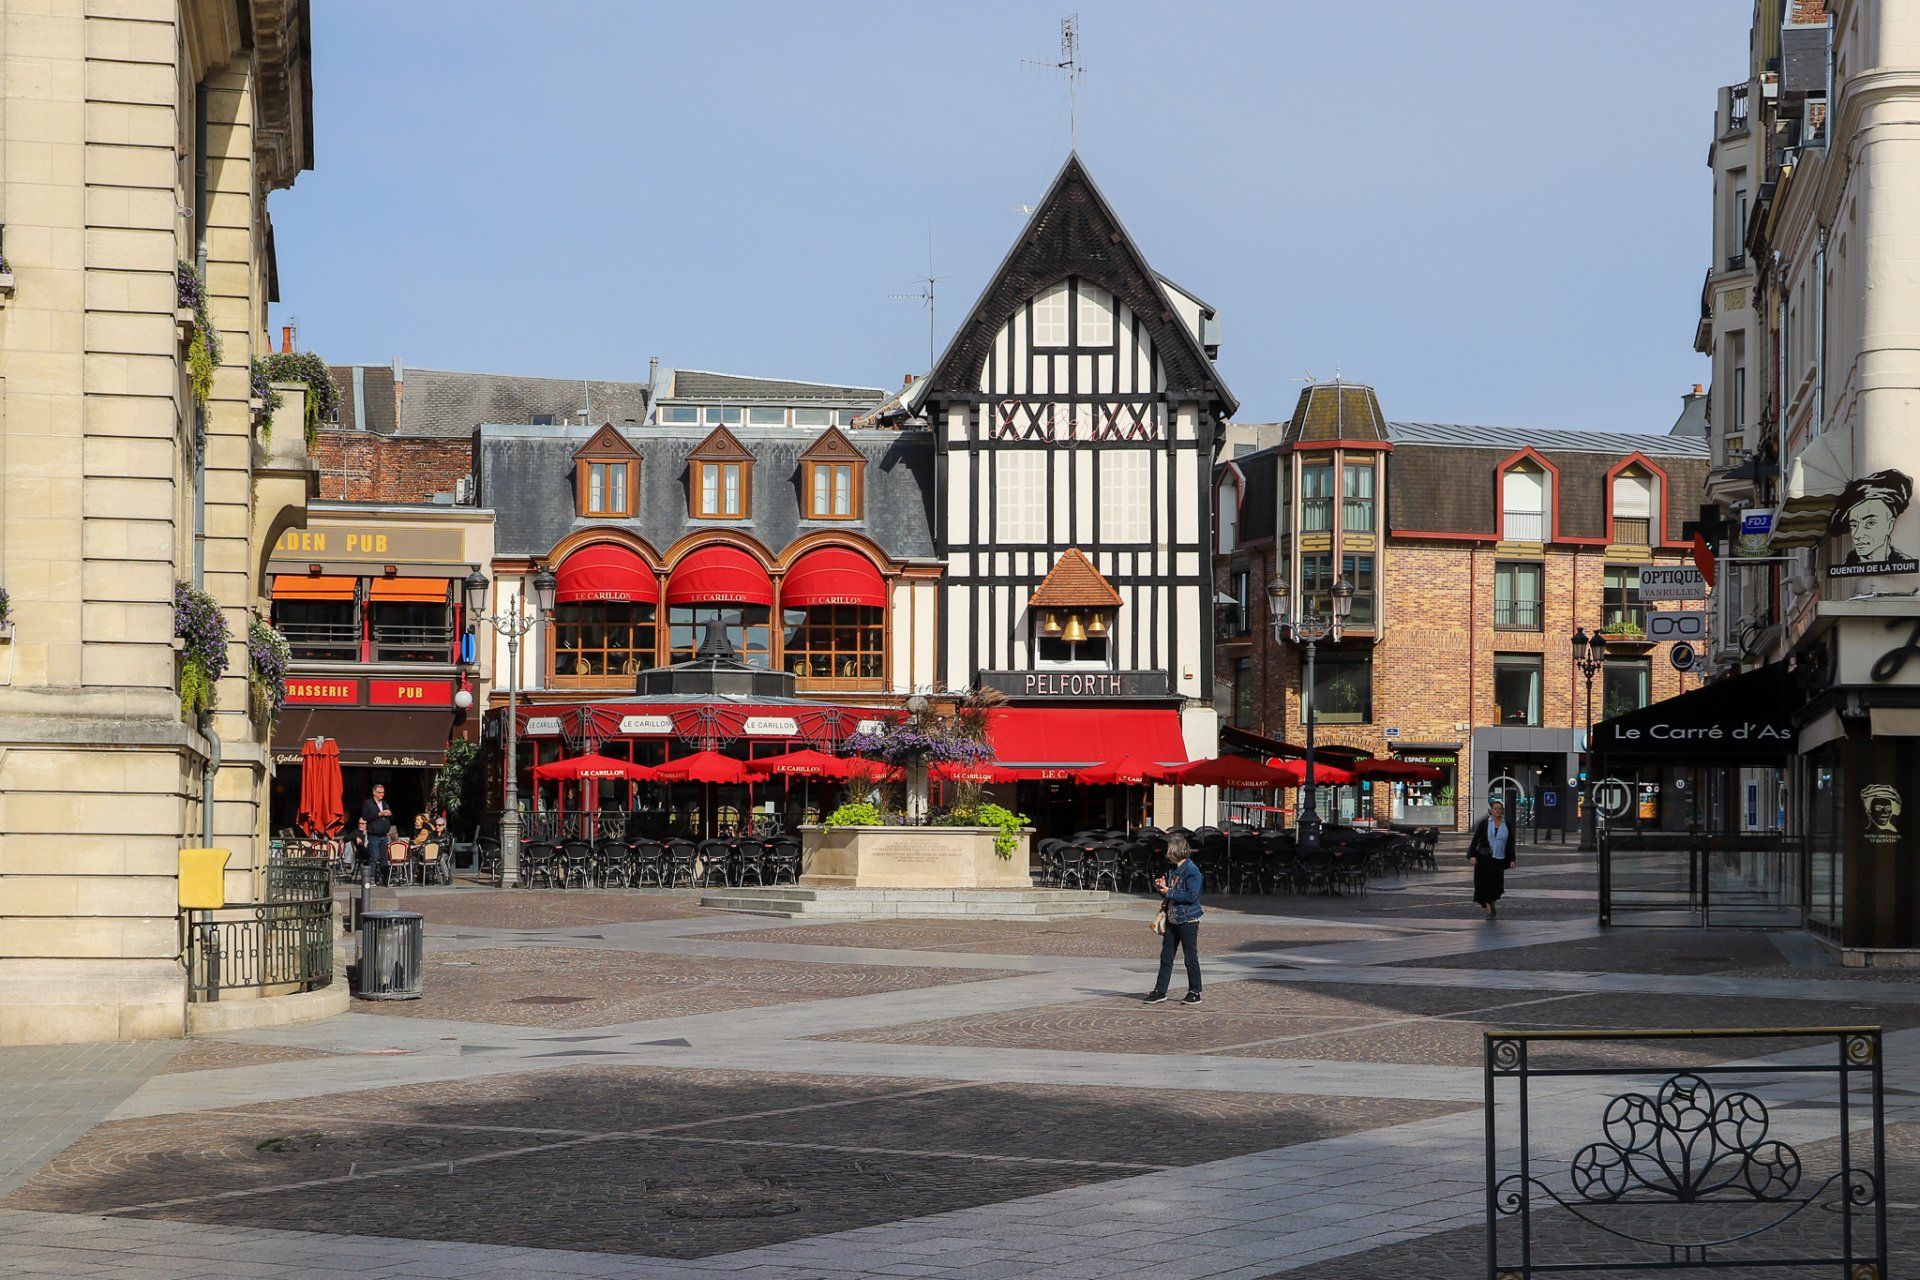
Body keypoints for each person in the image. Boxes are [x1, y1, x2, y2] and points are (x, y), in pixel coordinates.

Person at [1144, 834, 1204, 1005]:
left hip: (1188, 919)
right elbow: (1172, 895)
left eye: (1170, 850)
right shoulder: (1175, 871)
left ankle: (1195, 991)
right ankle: (1160, 990)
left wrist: (1169, 892)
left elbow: (1191, 896)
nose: (1167, 853)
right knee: (1166, 956)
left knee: (1190, 957)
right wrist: (1162, 888)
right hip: (1173, 918)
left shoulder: (1191, 870)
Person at [1467, 799, 1516, 920]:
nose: (1497, 811)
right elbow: (1475, 840)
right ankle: (1489, 910)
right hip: (1484, 859)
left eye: (1499, 809)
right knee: (1483, 885)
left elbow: (1510, 844)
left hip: (1499, 860)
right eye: (1495, 809)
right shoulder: (1485, 824)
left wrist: (1512, 859)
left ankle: (1492, 904)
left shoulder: (1506, 825)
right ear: (1491, 811)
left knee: (1496, 886)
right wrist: (1472, 855)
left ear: (1502, 811)